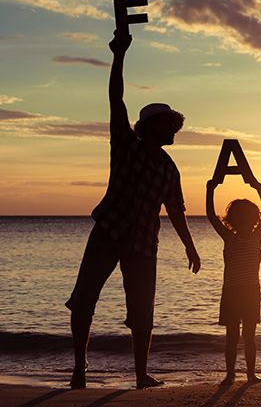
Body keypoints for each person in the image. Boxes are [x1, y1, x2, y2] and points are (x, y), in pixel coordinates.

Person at [65, 31, 201, 390]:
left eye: (174, 125)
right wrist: (118, 55)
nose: (173, 130)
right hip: (108, 232)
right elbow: (116, 99)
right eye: (168, 124)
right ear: (149, 127)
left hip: (143, 243)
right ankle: (80, 370)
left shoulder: (170, 168)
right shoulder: (126, 144)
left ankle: (141, 375)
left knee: (143, 314)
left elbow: (176, 209)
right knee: (84, 301)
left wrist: (190, 245)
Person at [206, 178, 261, 386]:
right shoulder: (229, 237)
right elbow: (211, 216)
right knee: (232, 336)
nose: (244, 222)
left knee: (249, 336)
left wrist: (259, 187)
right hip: (232, 292)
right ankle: (230, 374)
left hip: (251, 292)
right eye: (240, 218)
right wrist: (210, 190)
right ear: (233, 220)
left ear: (253, 220)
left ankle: (250, 374)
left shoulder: (257, 236)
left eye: (248, 218)